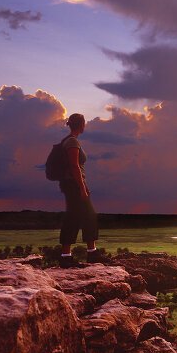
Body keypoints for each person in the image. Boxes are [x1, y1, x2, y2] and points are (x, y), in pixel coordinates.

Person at [58, 113, 100, 267]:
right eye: (84, 123)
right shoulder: (72, 142)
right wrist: (82, 188)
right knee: (85, 216)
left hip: (73, 184)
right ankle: (83, 255)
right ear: (81, 124)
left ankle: (70, 255)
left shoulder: (70, 141)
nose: (85, 125)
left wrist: (83, 185)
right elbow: (74, 166)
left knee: (80, 216)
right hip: (74, 185)